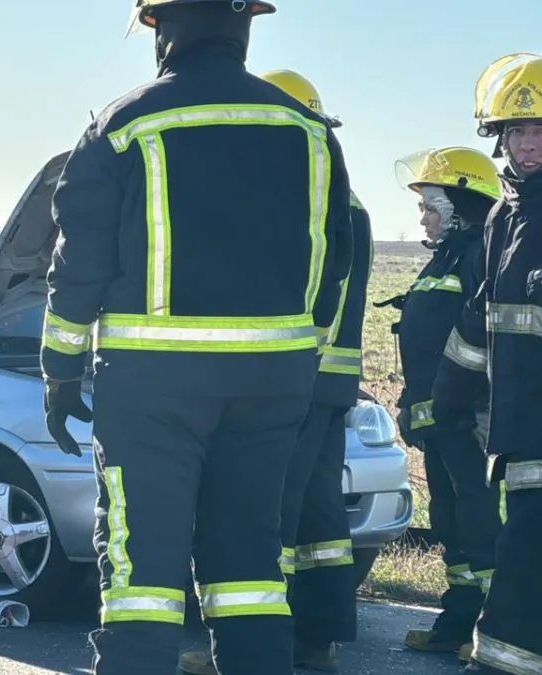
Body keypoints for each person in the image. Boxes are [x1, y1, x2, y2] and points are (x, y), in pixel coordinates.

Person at [41, 2, 354, 673]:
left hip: (152, 389)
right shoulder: (308, 129)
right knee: (250, 572)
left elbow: (78, 267)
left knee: (143, 582)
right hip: (273, 388)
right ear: (244, 24)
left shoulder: (121, 126)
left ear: (164, 27)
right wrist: (297, 362)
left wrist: (59, 370)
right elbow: (333, 264)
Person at [177, 68, 372, 675]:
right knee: (321, 523)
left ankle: (267, 648)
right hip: (330, 383)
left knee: (274, 521)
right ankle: (320, 640)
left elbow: (317, 295)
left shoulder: (305, 205)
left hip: (297, 380)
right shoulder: (350, 201)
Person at [379, 147, 502, 660]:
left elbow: (483, 340)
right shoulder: (446, 256)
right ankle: (456, 624)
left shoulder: (480, 254)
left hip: (471, 419)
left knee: (482, 525)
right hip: (440, 421)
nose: (423, 217)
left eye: (431, 206)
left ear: (461, 204)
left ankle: (494, 631)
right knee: (453, 523)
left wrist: (457, 409)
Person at [445, 53, 542, 675]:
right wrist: (446, 398)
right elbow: (484, 317)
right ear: (499, 138)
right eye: (519, 132)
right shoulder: (504, 216)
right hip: (521, 426)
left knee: (527, 552)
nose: (530, 145)